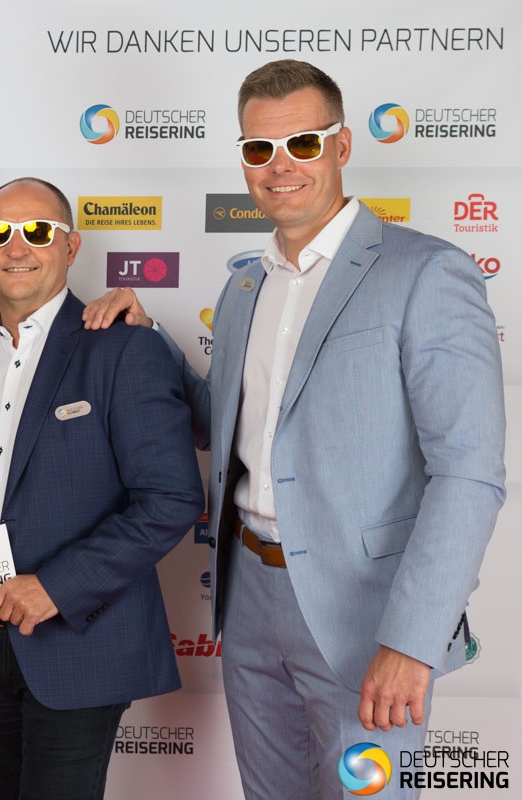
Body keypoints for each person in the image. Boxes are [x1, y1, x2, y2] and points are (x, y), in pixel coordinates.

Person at [83, 59, 506, 799]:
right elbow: (228, 422)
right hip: (248, 596)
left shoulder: (426, 272)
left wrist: (412, 639)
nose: (280, 166)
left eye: (302, 143)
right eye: (259, 148)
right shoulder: (245, 285)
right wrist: (148, 343)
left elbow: (468, 473)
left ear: (341, 146)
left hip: (366, 612)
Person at [0, 178, 203, 800]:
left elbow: (171, 499)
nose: (17, 247)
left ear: (71, 246)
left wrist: (55, 587)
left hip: (81, 640)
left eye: (38, 231)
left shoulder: (125, 349)